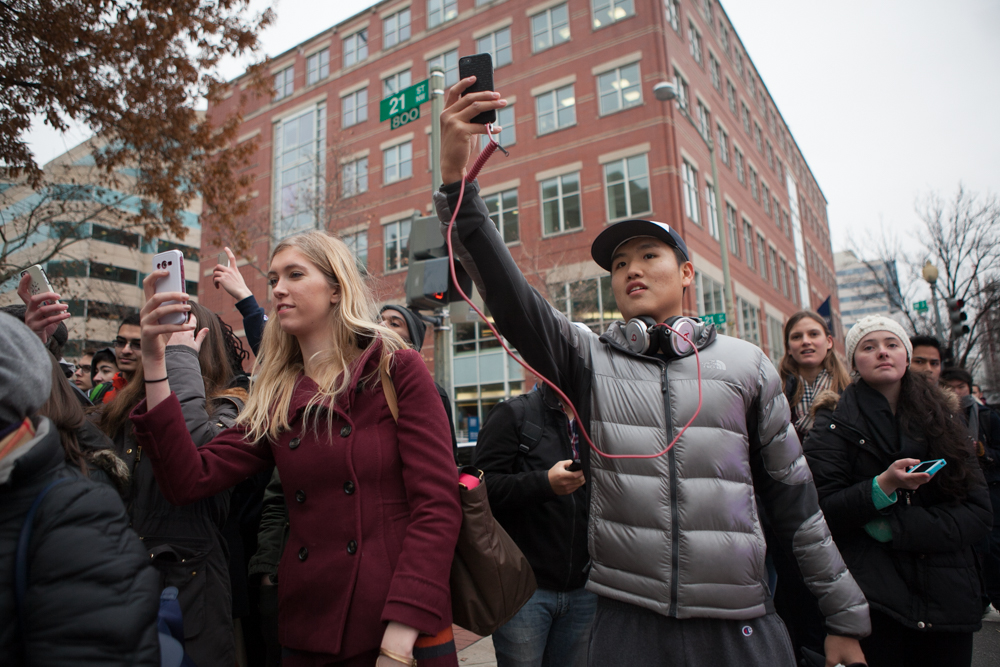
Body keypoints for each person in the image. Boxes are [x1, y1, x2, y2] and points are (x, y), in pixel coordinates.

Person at [436, 77, 868, 666]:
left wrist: (841, 616)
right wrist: (459, 188)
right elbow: (513, 302)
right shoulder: (588, 358)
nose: (631, 270)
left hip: (740, 624)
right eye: (618, 263)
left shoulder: (747, 366)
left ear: (686, 274)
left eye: (648, 256)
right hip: (621, 624)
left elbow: (798, 509)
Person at [129, 231, 462, 666]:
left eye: (295, 274)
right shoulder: (278, 395)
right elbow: (189, 478)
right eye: (273, 278)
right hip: (309, 627)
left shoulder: (395, 368)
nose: (278, 288)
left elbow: (436, 505)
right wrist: (156, 361)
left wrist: (400, 635)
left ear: (336, 289)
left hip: (400, 624)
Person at [803, 316, 991, 667]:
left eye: (891, 344)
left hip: (947, 598)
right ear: (854, 361)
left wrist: (894, 529)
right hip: (874, 602)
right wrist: (881, 487)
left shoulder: (948, 420)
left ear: (906, 356)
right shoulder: (832, 423)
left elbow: (978, 513)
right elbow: (820, 511)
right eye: (868, 347)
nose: (882, 353)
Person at [0, 312, 160, 665]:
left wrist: (166, 363)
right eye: (122, 342)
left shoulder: (78, 510)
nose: (127, 350)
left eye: (138, 343)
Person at [95, 300, 249, 667]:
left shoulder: (231, 407)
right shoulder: (122, 409)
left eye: (177, 332)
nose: (165, 341)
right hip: (120, 582)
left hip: (187, 592)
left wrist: (179, 359)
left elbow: (196, 458)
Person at [474, 382, 594, 666]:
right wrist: (544, 483)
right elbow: (480, 488)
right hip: (525, 592)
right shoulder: (513, 413)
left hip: (585, 588)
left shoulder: (596, 418)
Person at [940, 366, 1000, 613]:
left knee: (994, 548)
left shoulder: (986, 416)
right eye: (950, 387)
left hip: (991, 491)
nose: (956, 392)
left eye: (961, 387)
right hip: (959, 492)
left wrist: (982, 451)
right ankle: (982, 597)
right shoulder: (940, 416)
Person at [381, 304, 458, 458]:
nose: (381, 325)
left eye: (394, 324)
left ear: (411, 343)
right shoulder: (353, 383)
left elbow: (444, 458)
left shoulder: (432, 392)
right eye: (379, 320)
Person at [779, 311, 852, 442]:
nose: (806, 341)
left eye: (813, 334)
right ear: (788, 348)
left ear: (829, 341)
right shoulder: (776, 397)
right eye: (796, 337)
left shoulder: (851, 392)